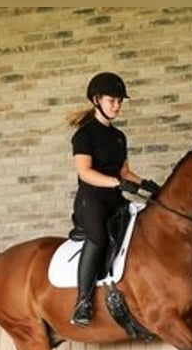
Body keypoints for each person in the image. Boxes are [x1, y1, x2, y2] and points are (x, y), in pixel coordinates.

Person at [67, 72, 160, 327]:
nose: (117, 106)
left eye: (120, 101)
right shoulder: (84, 136)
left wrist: (149, 186)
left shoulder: (119, 137)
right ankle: (83, 302)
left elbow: (125, 172)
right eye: (112, 100)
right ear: (97, 100)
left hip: (114, 199)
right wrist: (117, 183)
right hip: (91, 201)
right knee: (98, 237)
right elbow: (85, 172)